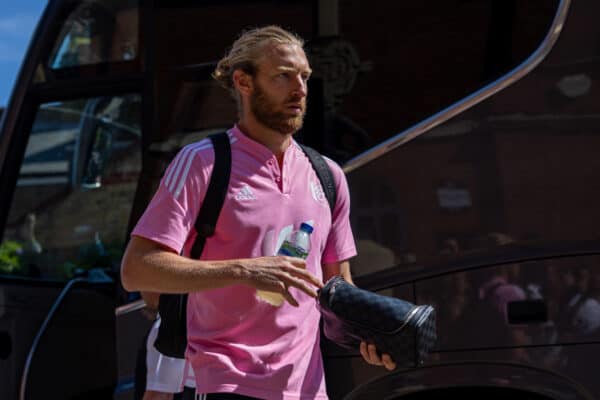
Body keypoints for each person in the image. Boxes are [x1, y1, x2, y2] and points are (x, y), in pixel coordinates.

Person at [121, 25, 395, 400]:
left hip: (307, 390)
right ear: (243, 82)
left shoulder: (328, 175)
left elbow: (337, 289)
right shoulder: (202, 162)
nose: (300, 89)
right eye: (283, 76)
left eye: (304, 77)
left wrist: (371, 332)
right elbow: (136, 268)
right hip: (223, 383)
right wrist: (244, 270)